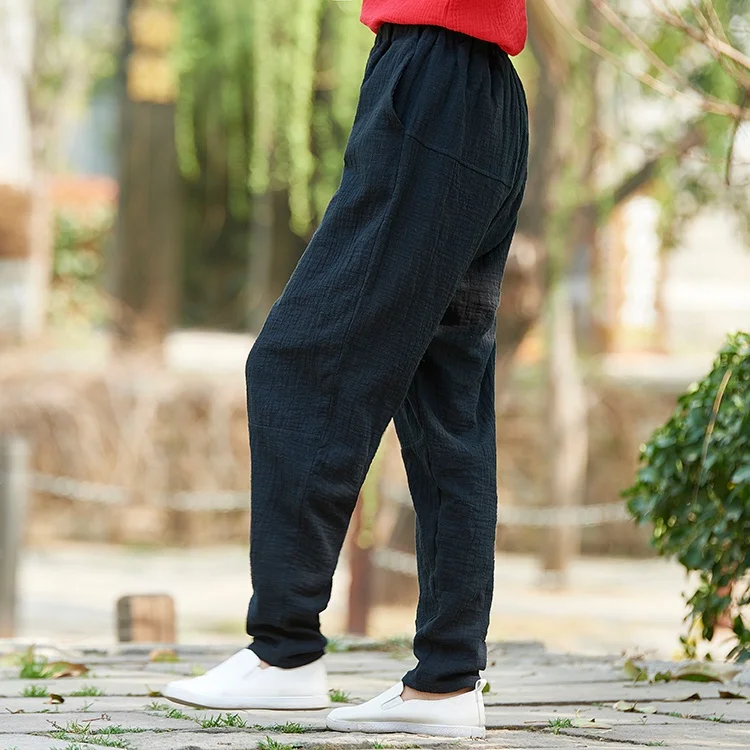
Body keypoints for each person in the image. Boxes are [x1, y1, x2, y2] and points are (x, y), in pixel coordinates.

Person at [163, 0, 528, 738]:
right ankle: (446, 683)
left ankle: (284, 654)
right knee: (444, 399)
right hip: (482, 94)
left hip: (433, 80)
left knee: (295, 366)